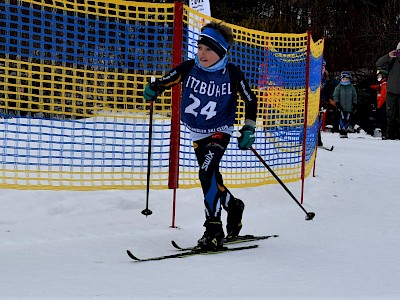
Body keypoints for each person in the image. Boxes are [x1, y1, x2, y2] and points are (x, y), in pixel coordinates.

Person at [143, 21, 258, 251]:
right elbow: (167, 80)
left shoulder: (232, 73)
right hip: (197, 132)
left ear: (222, 53)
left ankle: (213, 229)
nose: (202, 54)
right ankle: (234, 206)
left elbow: (250, 100)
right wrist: (155, 87)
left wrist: (249, 128)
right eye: (200, 47)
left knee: (206, 173)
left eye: (209, 50)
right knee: (212, 178)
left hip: (219, 130)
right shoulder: (189, 68)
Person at [376, 42, 400, 140]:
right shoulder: (393, 60)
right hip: (391, 90)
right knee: (390, 114)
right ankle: (389, 133)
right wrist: (388, 56)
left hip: (394, 90)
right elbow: (378, 63)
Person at [318, 60, 338, 145]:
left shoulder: (328, 78)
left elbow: (334, 87)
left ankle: (318, 140)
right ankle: (303, 139)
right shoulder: (313, 76)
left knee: (320, 120)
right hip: (313, 102)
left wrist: (329, 98)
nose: (321, 69)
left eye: (323, 67)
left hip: (323, 101)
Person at [333, 71, 357, 138]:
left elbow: (354, 96)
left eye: (346, 79)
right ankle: (341, 130)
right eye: (343, 79)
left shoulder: (351, 87)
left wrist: (354, 104)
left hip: (349, 107)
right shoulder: (339, 87)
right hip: (341, 106)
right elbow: (335, 95)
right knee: (342, 118)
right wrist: (337, 103)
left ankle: (346, 130)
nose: (345, 80)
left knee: (347, 118)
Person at [370, 69, 388, 136]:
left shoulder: (384, 85)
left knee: (382, 119)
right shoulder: (381, 85)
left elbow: (383, 97)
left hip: (382, 105)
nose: (378, 77)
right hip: (381, 104)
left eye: (379, 75)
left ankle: (384, 133)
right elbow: (378, 87)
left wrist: (378, 106)